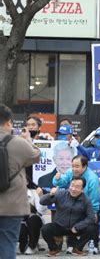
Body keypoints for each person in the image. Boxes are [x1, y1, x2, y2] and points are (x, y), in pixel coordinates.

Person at [0, 104, 40, 259]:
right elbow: (36, 156)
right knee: (8, 243)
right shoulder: (18, 143)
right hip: (12, 205)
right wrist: (28, 139)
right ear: (9, 122)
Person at [52, 155, 100, 254]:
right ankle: (71, 244)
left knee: (92, 222)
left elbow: (94, 199)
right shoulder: (71, 172)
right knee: (69, 214)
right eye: (73, 166)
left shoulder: (93, 179)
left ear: (85, 166)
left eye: (77, 166)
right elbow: (59, 183)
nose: (74, 169)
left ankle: (94, 244)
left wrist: (94, 212)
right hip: (74, 205)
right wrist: (57, 179)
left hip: (87, 207)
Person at [40, 177, 98, 256]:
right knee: (45, 229)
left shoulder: (86, 200)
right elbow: (42, 202)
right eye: (72, 185)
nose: (73, 189)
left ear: (82, 189)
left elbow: (91, 217)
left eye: (77, 187)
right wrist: (50, 194)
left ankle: (77, 248)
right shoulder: (61, 194)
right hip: (59, 226)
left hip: (76, 228)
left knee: (93, 228)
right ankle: (54, 249)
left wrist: (78, 226)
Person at [18, 176, 48, 255]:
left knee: (34, 219)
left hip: (33, 220)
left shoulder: (34, 192)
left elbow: (41, 211)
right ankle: (22, 244)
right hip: (19, 221)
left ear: (27, 182)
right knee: (21, 249)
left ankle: (32, 245)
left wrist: (41, 196)